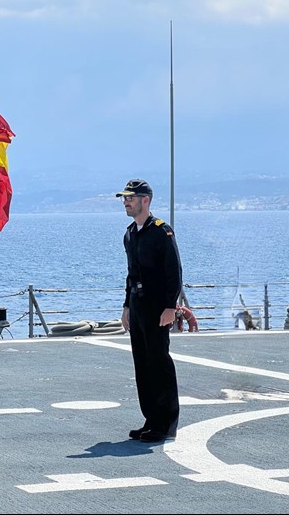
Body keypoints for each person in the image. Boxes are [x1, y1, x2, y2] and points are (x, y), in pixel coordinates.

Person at [118, 179, 182, 443]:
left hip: (158, 307)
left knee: (159, 362)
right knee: (142, 364)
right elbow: (131, 274)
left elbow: (174, 271)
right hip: (138, 304)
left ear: (146, 200)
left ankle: (166, 423)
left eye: (130, 198)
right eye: (124, 198)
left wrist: (170, 306)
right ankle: (150, 419)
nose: (126, 202)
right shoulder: (130, 233)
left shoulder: (160, 231)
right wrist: (126, 306)